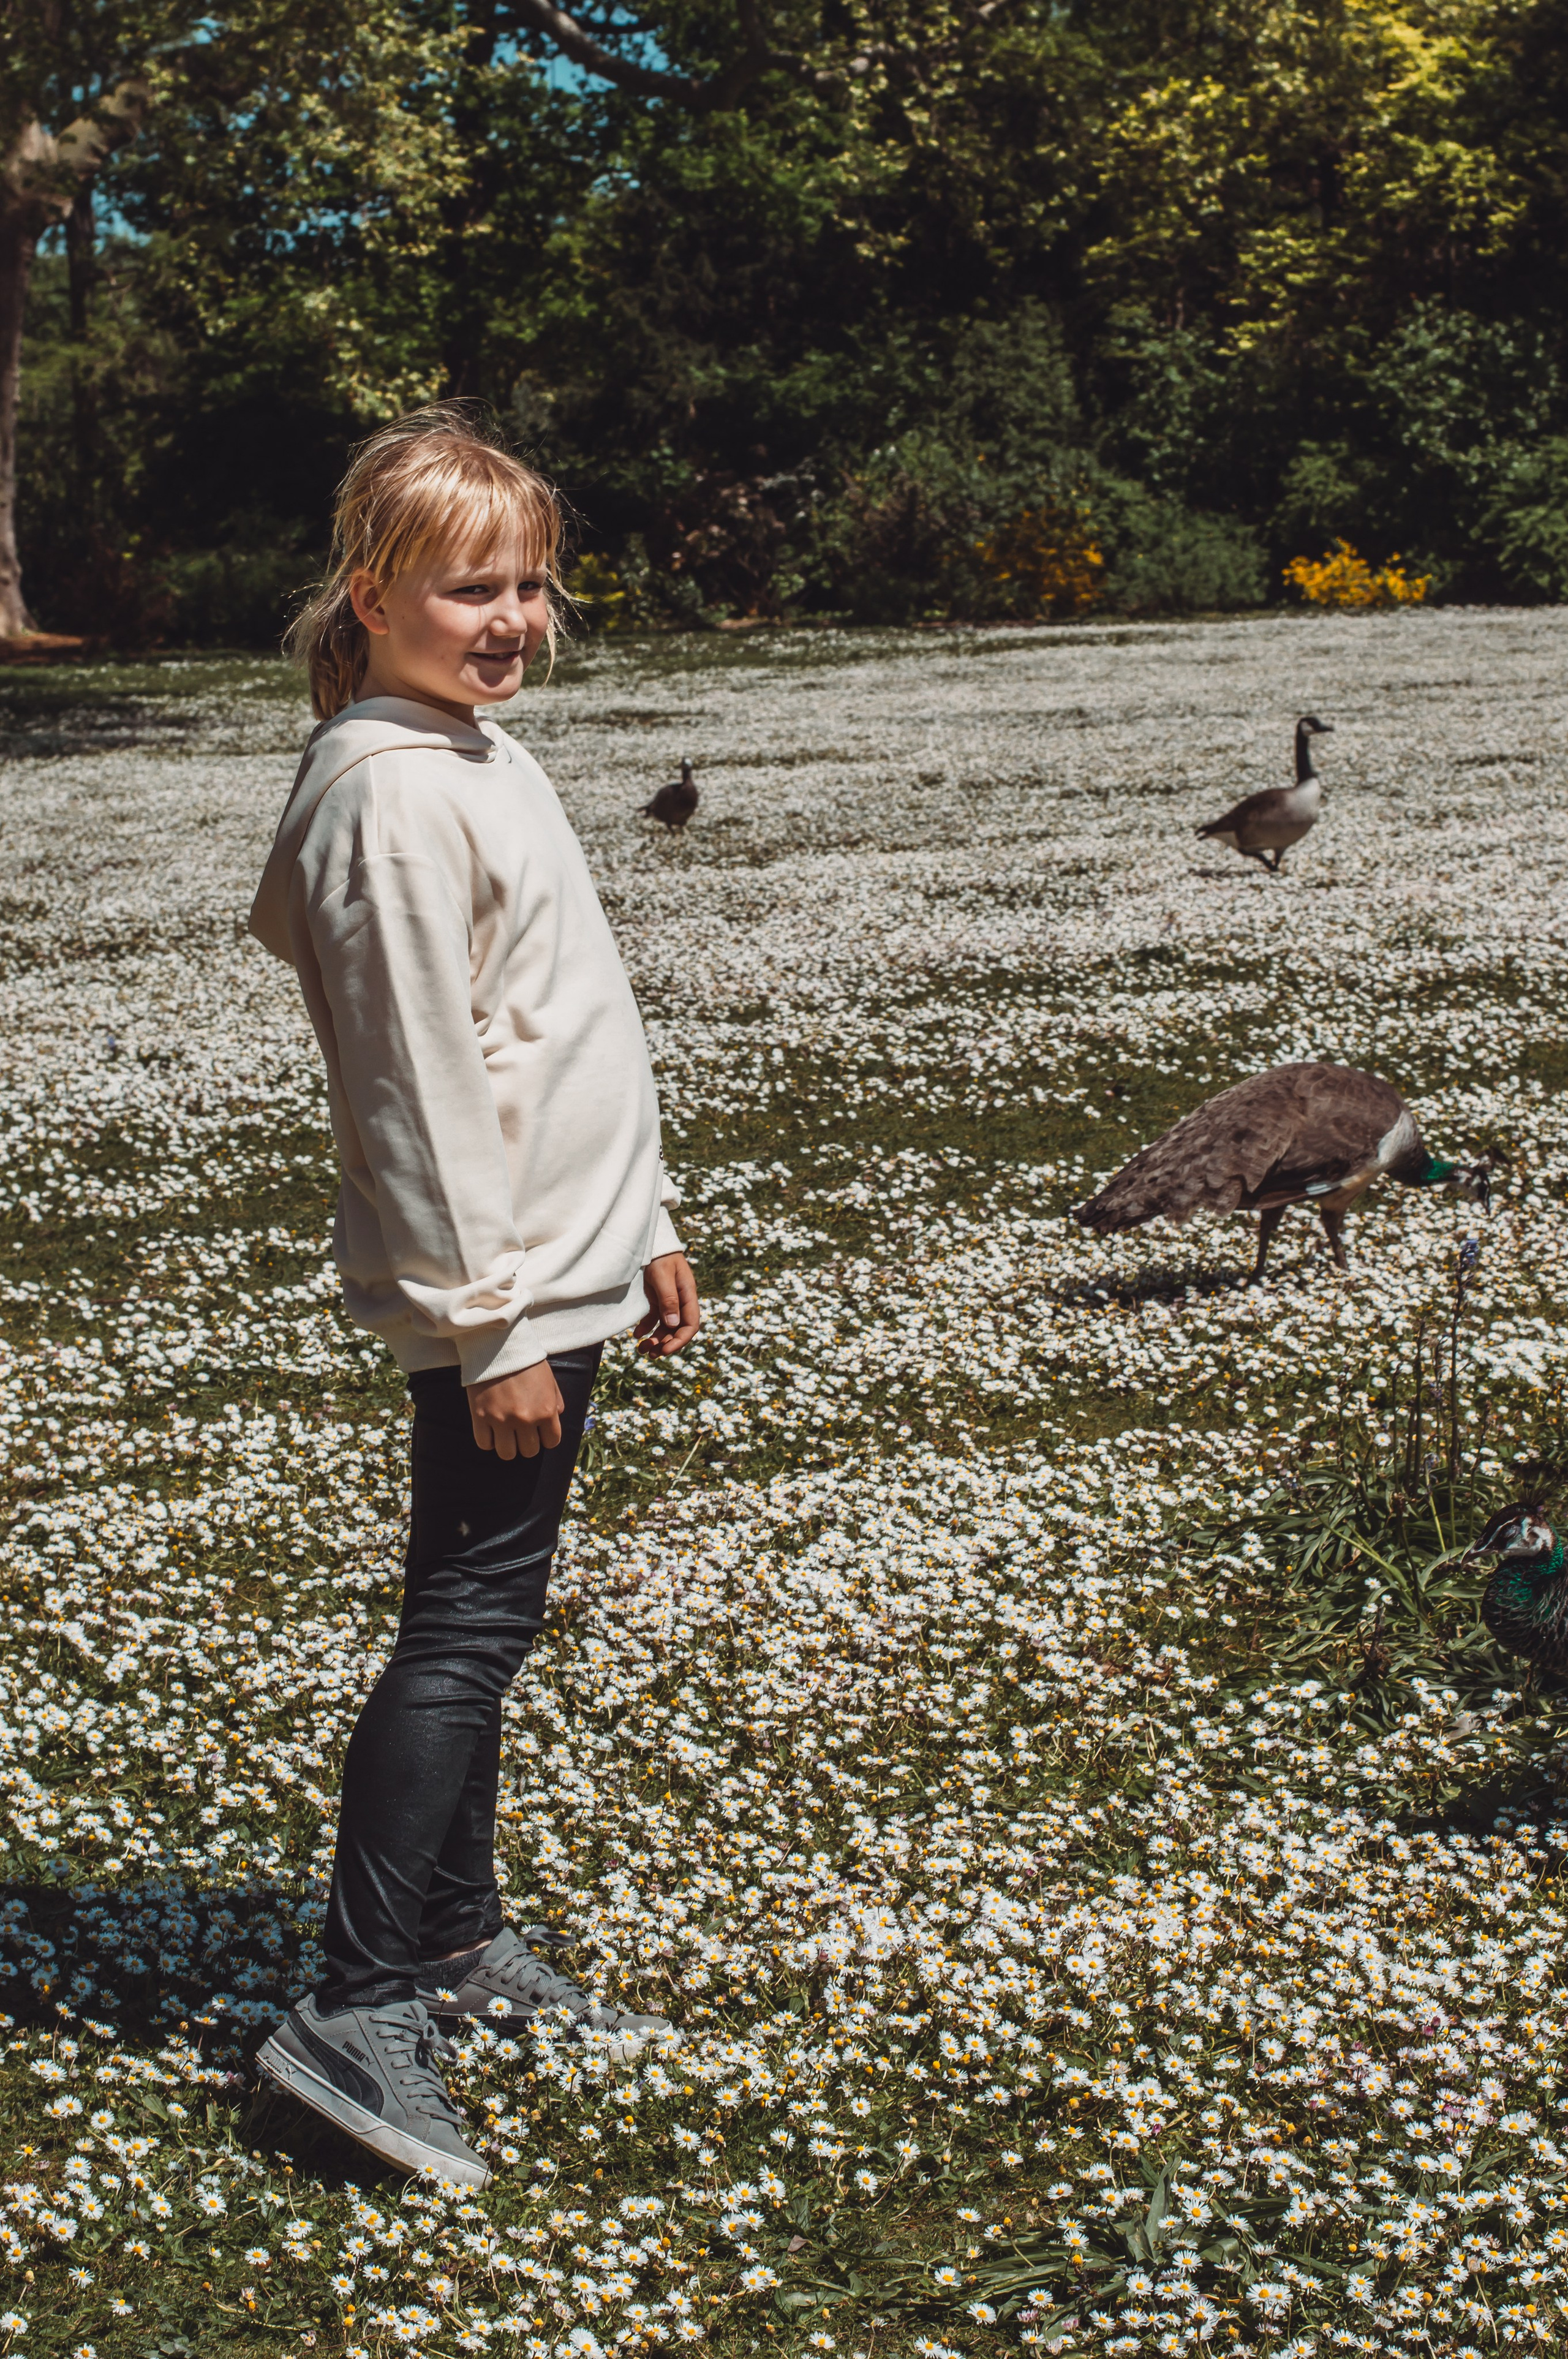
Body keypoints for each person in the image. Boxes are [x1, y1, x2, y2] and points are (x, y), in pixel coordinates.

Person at [249, 404, 699, 2187]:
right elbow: (418, 1083)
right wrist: (494, 1321)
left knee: (482, 1609)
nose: (511, 620)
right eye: (468, 588)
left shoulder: (474, 752)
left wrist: (642, 1218)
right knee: (466, 1624)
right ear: (372, 596)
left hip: (560, 1262)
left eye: (530, 586)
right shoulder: (389, 792)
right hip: (493, 1288)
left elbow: (558, 1021)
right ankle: (358, 2004)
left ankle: (448, 1938)